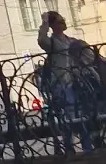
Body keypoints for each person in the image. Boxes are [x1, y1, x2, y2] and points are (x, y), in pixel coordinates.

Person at [37, 11, 91, 154]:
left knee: (81, 115)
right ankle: (69, 147)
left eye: (63, 20)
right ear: (54, 25)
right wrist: (45, 23)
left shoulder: (70, 40)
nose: (64, 23)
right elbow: (42, 40)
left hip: (77, 82)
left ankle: (86, 147)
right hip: (61, 83)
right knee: (69, 115)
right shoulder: (52, 42)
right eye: (60, 22)